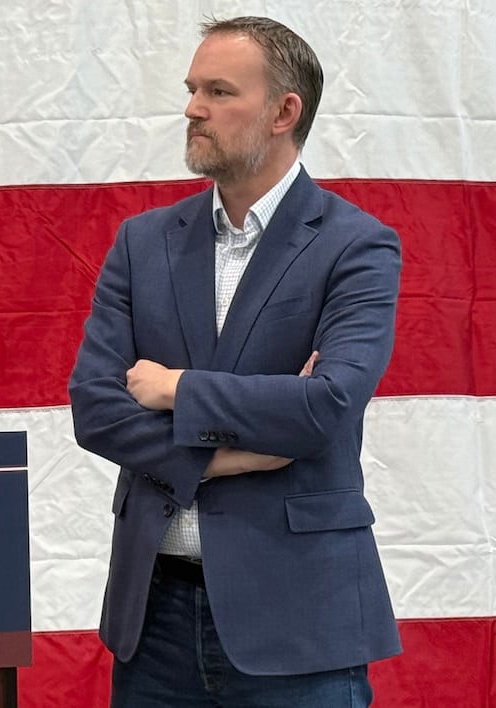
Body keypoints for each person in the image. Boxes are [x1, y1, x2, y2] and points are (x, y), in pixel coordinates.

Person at [68, 15, 402, 707]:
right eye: (193, 89)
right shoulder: (142, 242)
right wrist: (230, 456)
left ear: (285, 111)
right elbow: (95, 409)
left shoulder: (357, 246)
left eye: (219, 91)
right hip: (152, 621)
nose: (192, 108)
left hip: (299, 619)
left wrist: (176, 388)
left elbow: (325, 407)